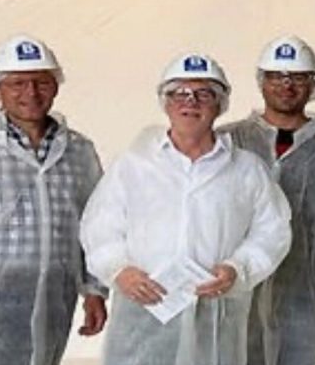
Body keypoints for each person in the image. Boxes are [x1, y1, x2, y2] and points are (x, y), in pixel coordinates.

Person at [80, 53, 292, 365]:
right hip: (144, 317)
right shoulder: (134, 165)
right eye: (179, 93)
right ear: (165, 103)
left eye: (204, 94)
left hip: (217, 319)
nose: (190, 103)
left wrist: (238, 268)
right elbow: (99, 227)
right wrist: (119, 270)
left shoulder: (246, 170)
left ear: (220, 104)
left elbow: (272, 231)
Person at [220, 35, 315, 365]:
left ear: (313, 84)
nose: (287, 85)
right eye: (276, 76)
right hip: (234, 286)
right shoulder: (227, 140)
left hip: (303, 288)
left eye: (298, 77)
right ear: (261, 82)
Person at [0, 35, 106, 365]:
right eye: (17, 83)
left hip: (55, 295)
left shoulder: (79, 151)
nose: (30, 93)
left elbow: (96, 223)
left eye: (41, 82)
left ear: (55, 87)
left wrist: (94, 290)